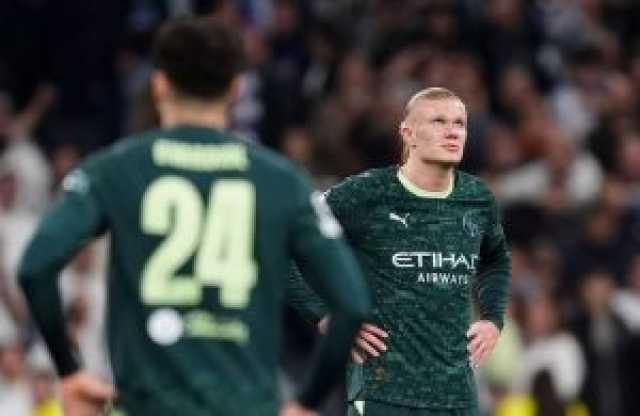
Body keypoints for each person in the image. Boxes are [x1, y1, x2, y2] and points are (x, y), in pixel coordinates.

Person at [18, 17, 371, 416]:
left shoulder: (114, 169)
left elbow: (35, 267)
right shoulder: (281, 180)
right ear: (236, 89)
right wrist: (307, 401)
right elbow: (351, 303)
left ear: (159, 84)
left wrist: (69, 371)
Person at [288, 87, 511, 416]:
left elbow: (495, 260)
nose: (453, 132)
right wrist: (322, 314)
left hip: (457, 398)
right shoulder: (365, 194)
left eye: (459, 123)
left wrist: (492, 318)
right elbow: (286, 243)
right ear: (408, 134)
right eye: (438, 121)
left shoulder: (477, 199)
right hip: (383, 394)